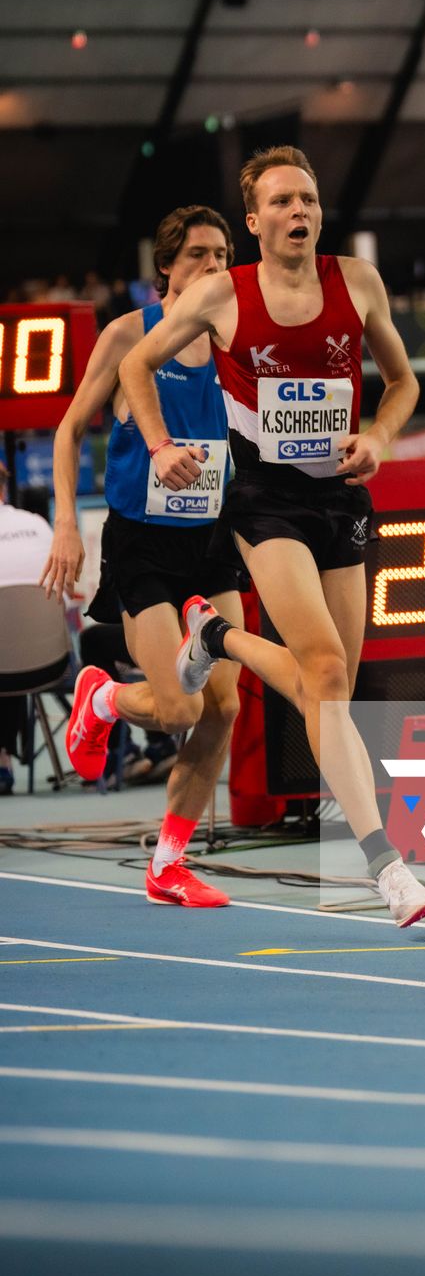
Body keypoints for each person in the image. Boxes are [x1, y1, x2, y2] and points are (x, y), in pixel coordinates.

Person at [117, 146, 425, 928]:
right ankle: (386, 866)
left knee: (333, 692)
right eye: (284, 202)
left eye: (310, 199)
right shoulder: (223, 295)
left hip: (339, 497)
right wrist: (160, 445)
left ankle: (215, 636)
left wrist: (381, 437)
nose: (301, 212)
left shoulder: (356, 284)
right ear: (255, 219)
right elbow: (136, 364)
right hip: (265, 503)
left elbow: (404, 382)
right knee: (322, 668)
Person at [45, 205, 246, 902]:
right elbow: (69, 432)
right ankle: (99, 697)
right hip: (143, 545)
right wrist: (67, 524)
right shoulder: (129, 336)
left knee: (225, 705)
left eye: (223, 255)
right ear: (166, 265)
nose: (214, 268)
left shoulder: (236, 340)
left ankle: (168, 864)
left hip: (213, 543)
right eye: (198, 255)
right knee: (180, 709)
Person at [0, 459, 62, 794]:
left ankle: (1, 761)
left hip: (7, 666)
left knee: (5, 647)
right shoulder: (37, 524)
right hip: (53, 663)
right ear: (5, 487)